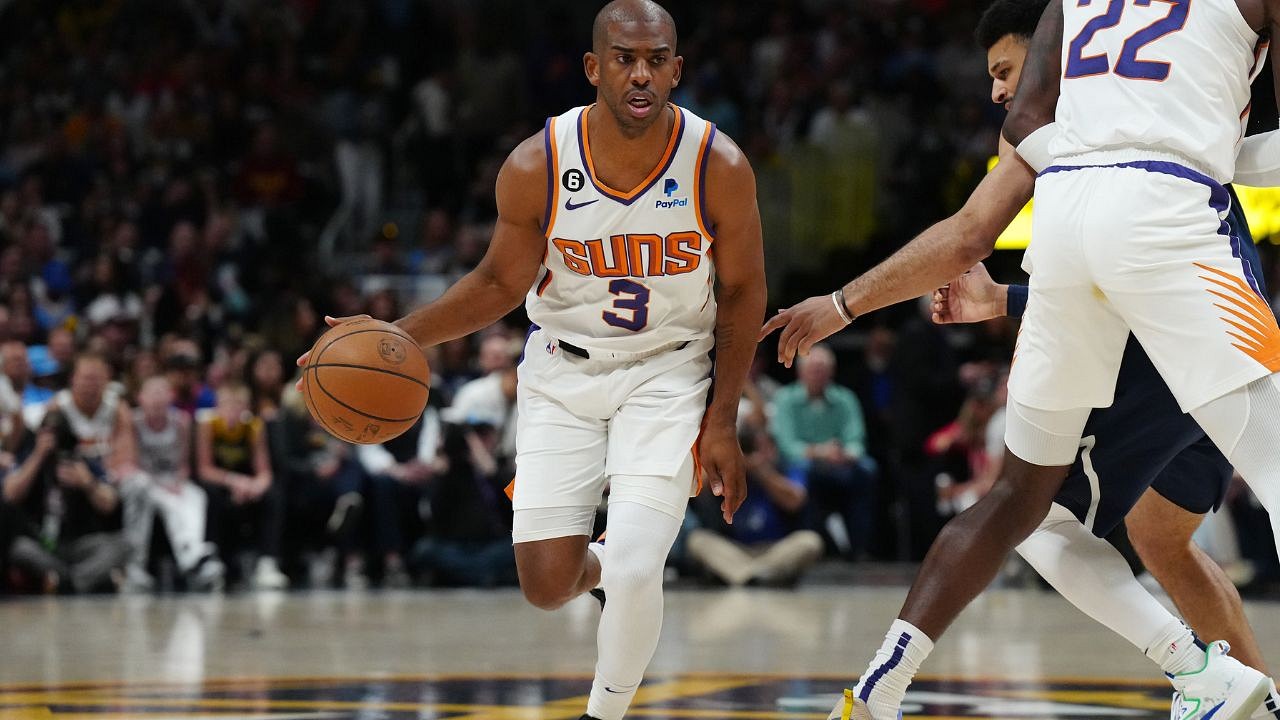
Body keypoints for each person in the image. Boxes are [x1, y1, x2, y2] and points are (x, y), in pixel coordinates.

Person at [759, 0, 1279, 716]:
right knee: (1167, 531)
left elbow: (986, 222)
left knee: (1033, 512)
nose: (1000, 88)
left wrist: (848, 305)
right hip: (1181, 256)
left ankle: (1206, 678)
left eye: (1008, 70)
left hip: (1116, 262)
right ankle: (1236, 688)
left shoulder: (1072, 38)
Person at [297, 2, 765, 717]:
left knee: (640, 571)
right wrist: (394, 336)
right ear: (593, 67)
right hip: (561, 370)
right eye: (622, 58)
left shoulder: (718, 165)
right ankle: (613, 554)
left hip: (669, 370)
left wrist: (723, 419)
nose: (640, 74)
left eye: (655, 59)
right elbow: (496, 283)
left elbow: (741, 292)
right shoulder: (538, 163)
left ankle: (604, 709)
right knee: (548, 584)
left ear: (676, 68)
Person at [2, 354, 134, 593]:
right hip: (42, 542)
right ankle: (78, 582)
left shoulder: (80, 459)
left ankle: (67, 583)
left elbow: (110, 503)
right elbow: (10, 494)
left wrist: (88, 483)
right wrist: (38, 457)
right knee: (17, 548)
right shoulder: (33, 458)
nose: (53, 443)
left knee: (122, 545)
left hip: (77, 543)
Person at [769, 344, 876, 558]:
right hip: (804, 463)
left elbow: (856, 440)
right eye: (813, 369)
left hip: (839, 463)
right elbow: (787, 446)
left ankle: (860, 548)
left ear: (832, 372)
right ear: (801, 371)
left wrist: (846, 454)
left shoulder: (845, 399)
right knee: (802, 471)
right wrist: (820, 452)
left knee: (867, 470)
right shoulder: (785, 399)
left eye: (822, 369)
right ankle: (813, 547)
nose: (818, 374)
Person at [120, 376, 224, 592]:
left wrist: (177, 481)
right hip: (146, 480)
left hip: (173, 479)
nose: (157, 399)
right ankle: (191, 557)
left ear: (170, 397)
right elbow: (132, 461)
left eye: (162, 392)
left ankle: (193, 555)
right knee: (171, 504)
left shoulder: (182, 422)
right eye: (152, 393)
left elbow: (184, 464)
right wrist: (162, 484)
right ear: (140, 398)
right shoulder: (133, 421)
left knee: (196, 496)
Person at [686, 429, 823, 587]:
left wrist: (761, 471)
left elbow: (795, 501)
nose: (751, 454)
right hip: (735, 550)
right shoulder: (728, 471)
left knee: (810, 541)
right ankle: (755, 577)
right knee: (697, 540)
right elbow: (700, 491)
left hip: (776, 550)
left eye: (760, 448)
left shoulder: (786, 468)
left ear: (773, 449)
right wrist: (728, 464)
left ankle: (747, 576)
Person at [196, 379, 287, 590]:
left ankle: (268, 563)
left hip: (246, 485)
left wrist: (256, 485)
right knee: (209, 495)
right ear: (218, 406)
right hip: (221, 482)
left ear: (245, 407)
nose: (232, 409)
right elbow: (204, 469)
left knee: (273, 495)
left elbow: (264, 470)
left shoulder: (253, 427)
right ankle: (212, 560)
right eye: (227, 404)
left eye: (238, 404)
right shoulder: (208, 425)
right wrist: (233, 481)